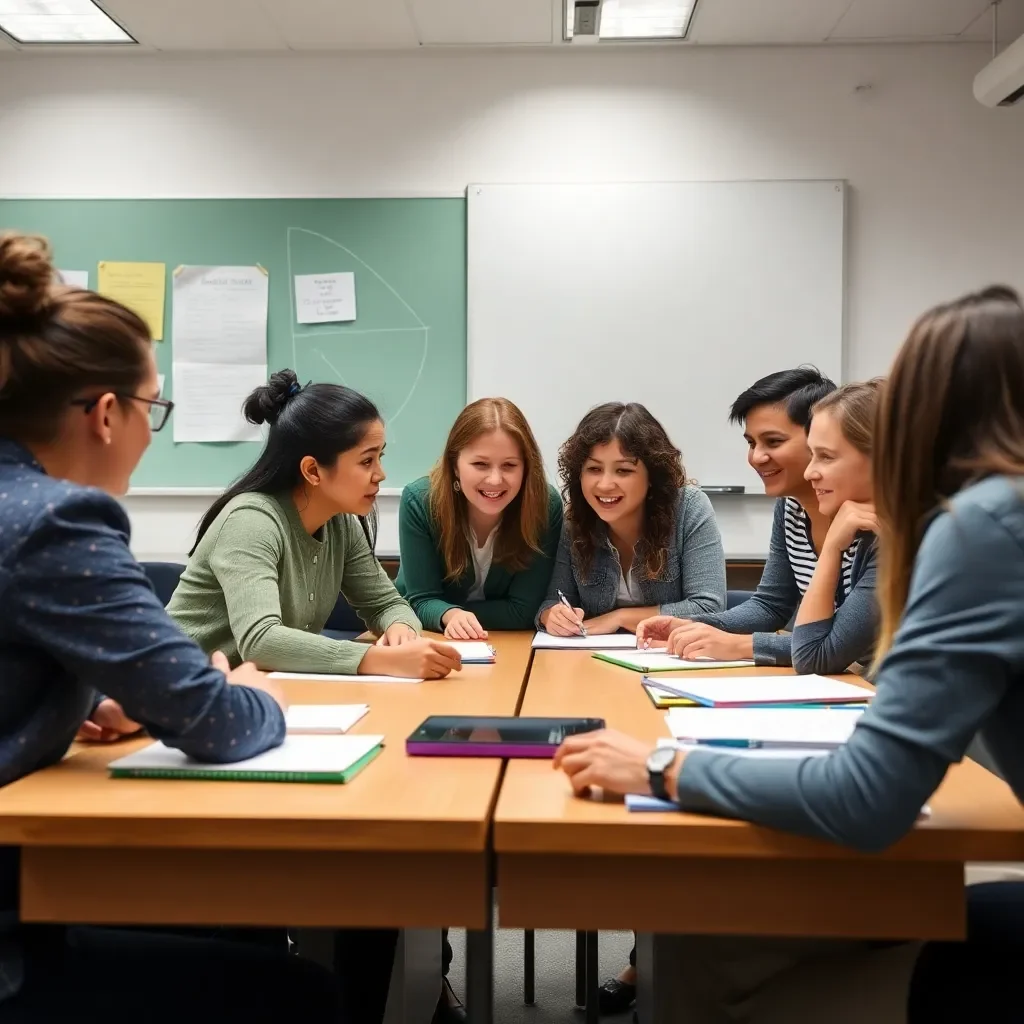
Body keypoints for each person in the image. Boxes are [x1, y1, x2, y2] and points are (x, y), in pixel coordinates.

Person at [555, 285, 1024, 1021]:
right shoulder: (975, 520)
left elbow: (866, 792)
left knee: (695, 939)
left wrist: (658, 765)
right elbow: (791, 627)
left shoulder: (978, 529)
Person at [0, 232, 343, 1022]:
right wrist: (258, 694)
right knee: (301, 996)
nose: (154, 431)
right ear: (108, 413)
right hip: (9, 943)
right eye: (156, 406)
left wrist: (86, 702)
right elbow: (217, 722)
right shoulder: (56, 521)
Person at [168, 370, 461, 681]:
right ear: (312, 470)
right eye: (366, 461)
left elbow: (385, 603)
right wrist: (378, 659)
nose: (380, 474)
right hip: (171, 693)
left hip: (249, 691)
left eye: (380, 457)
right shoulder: (250, 522)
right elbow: (260, 642)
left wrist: (400, 630)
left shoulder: (341, 523)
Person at [641, 379, 882, 675]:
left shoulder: (883, 532)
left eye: (774, 442)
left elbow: (819, 650)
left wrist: (737, 645)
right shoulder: (791, 508)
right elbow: (771, 605)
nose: (757, 457)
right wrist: (696, 626)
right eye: (751, 443)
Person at [537, 402, 726, 639]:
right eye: (594, 469)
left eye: (623, 471)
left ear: (651, 476)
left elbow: (709, 608)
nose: (605, 484)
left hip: (673, 665)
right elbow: (553, 600)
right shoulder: (577, 521)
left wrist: (619, 618)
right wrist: (552, 615)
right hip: (592, 663)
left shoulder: (689, 508)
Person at [396, 397, 562, 637]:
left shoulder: (545, 506)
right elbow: (421, 599)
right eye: (480, 464)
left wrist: (447, 611)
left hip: (510, 642)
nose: (495, 479)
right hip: (425, 635)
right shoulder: (419, 501)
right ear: (455, 465)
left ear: (526, 467)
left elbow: (523, 610)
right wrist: (449, 616)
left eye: (509, 466)